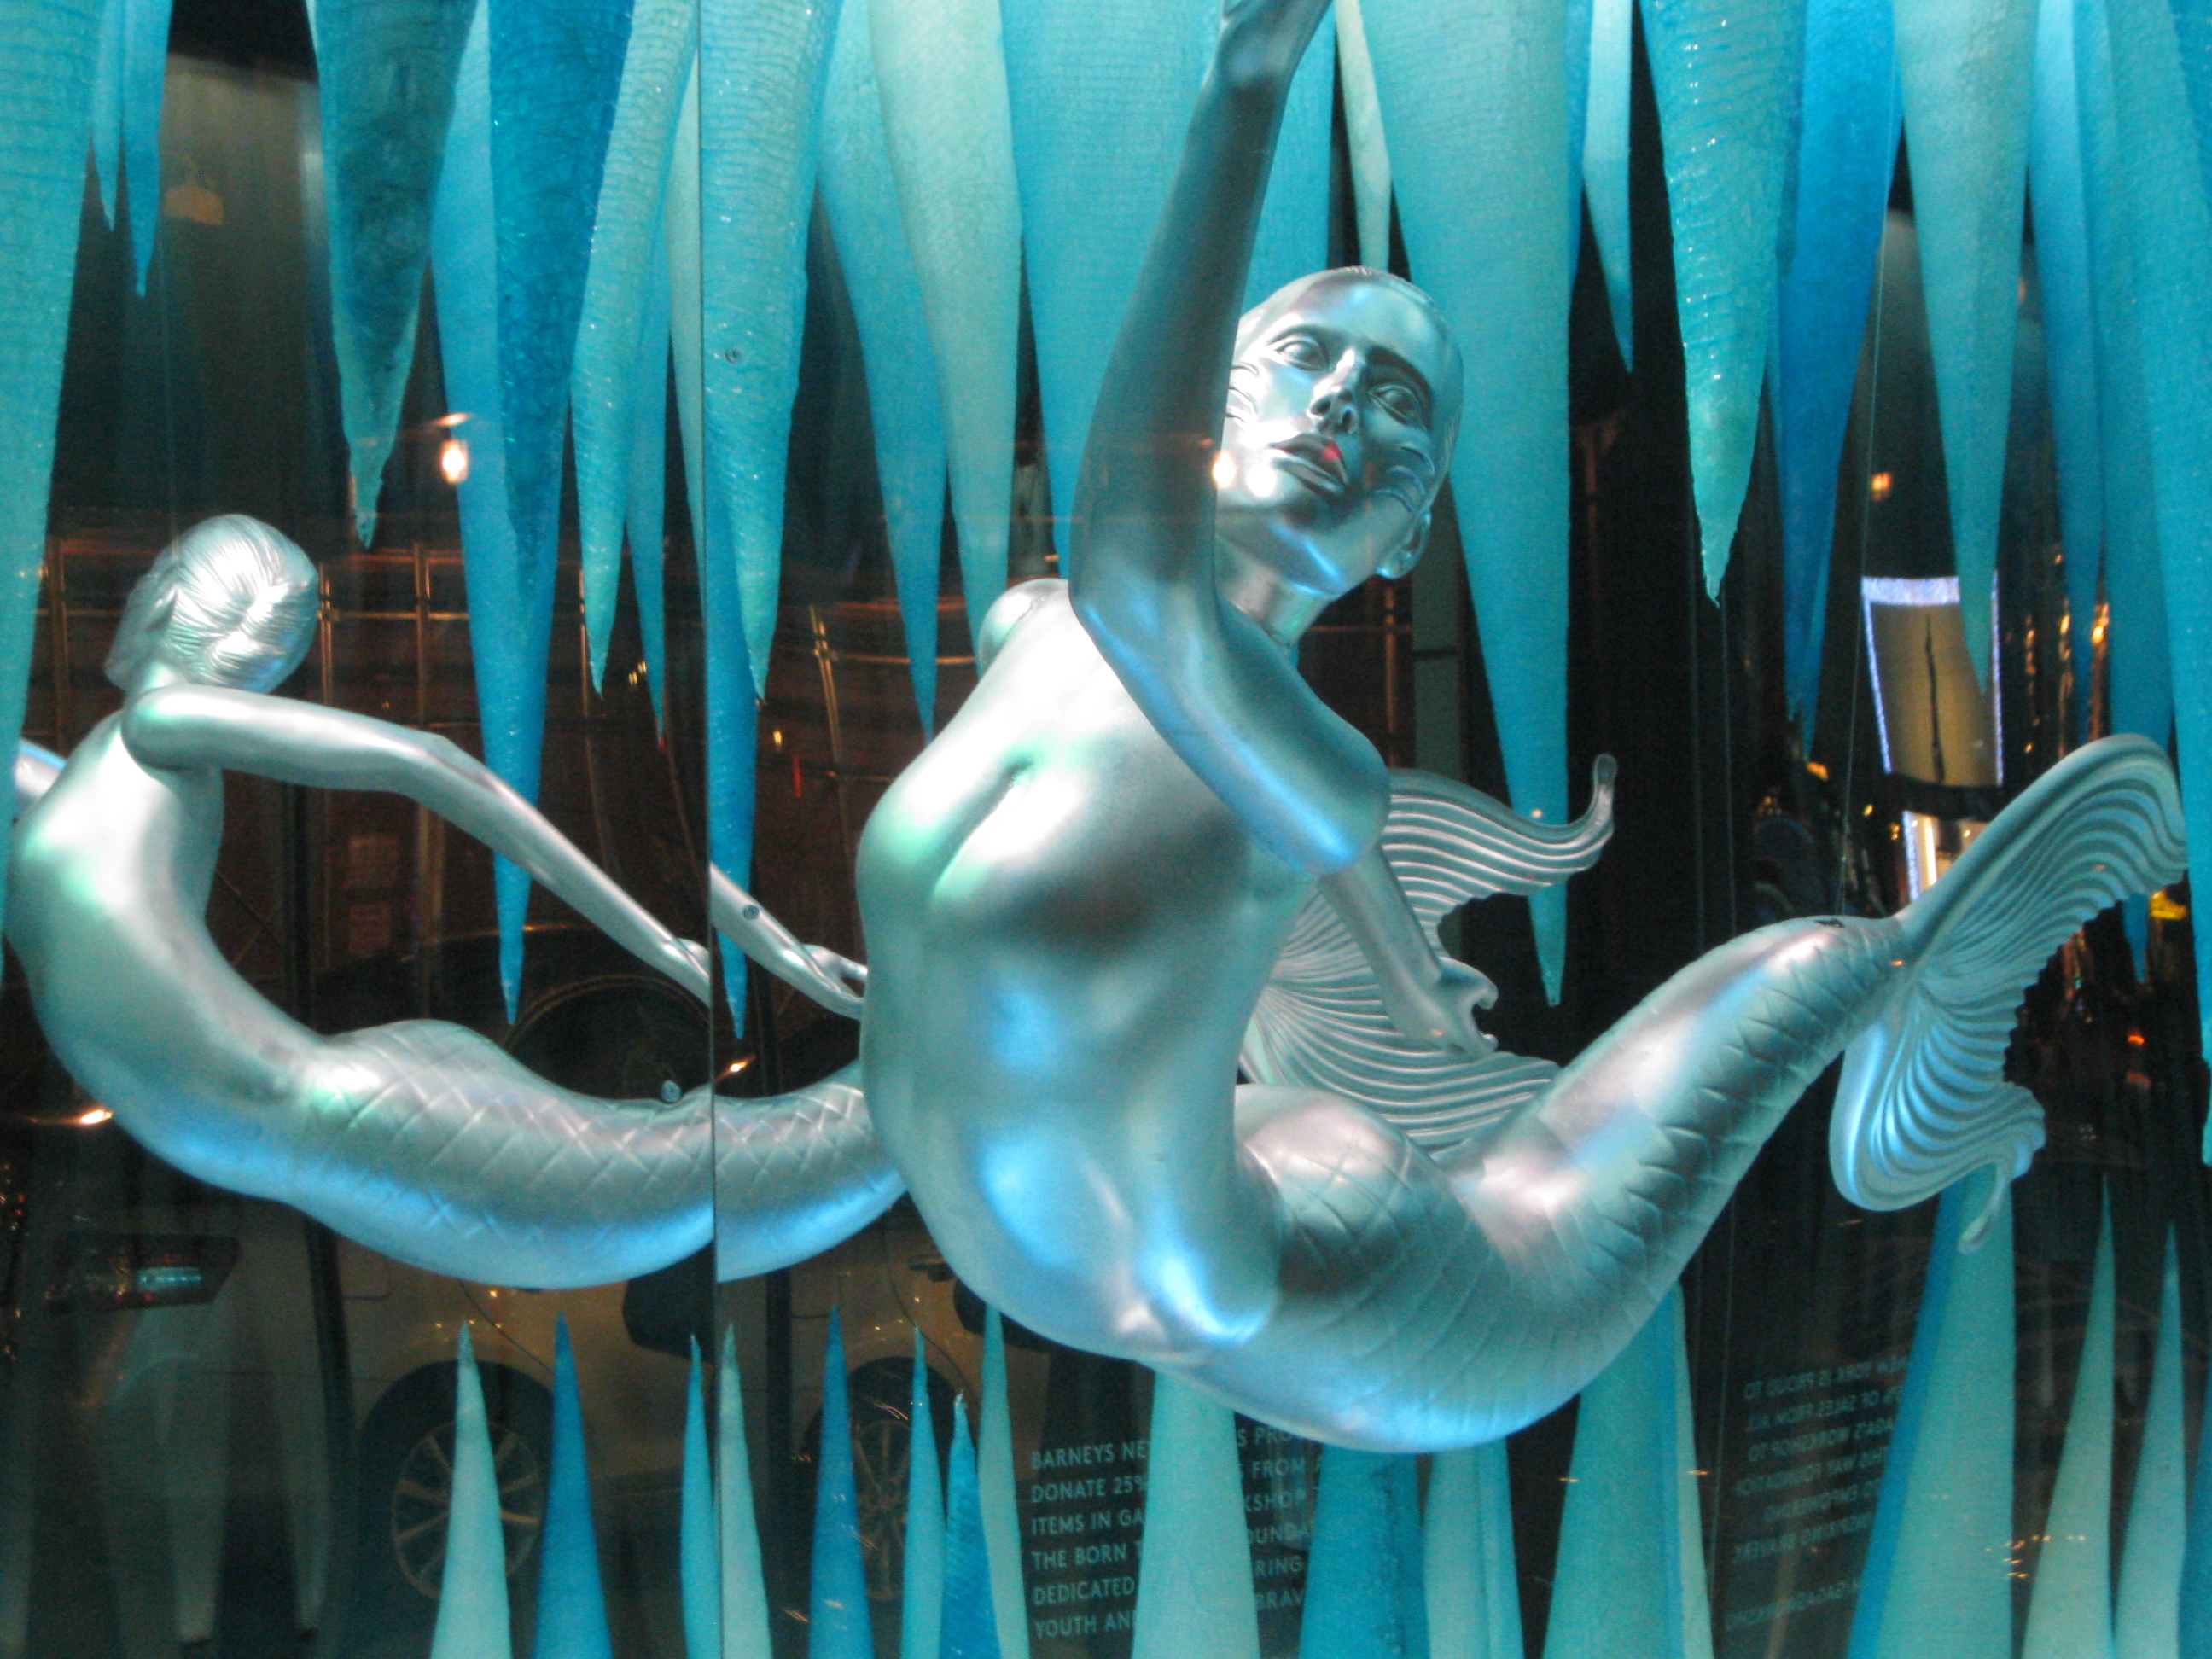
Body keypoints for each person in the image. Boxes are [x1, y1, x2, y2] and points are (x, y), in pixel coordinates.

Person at [851, 0, 2186, 1449]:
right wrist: (1405, 975)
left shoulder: (1308, 763)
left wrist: (1245, 90)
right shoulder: (1036, 628)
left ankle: (1913, 967)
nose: (1341, 404)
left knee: (1748, 1028)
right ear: (1217, 400)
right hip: (1167, 1205)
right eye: (1306, 354)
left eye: (1396, 405)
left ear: (1408, 530)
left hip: (1340, 1298)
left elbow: (1146, 579)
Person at [8, 515, 897, 1289]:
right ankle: (913, 1063)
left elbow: (425, 762)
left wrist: (656, 940)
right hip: (278, 1112)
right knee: (675, 1182)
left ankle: (914, 1062)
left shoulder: (158, 726)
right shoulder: (94, 768)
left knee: (682, 1179)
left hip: (305, 1104)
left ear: (166, 597)